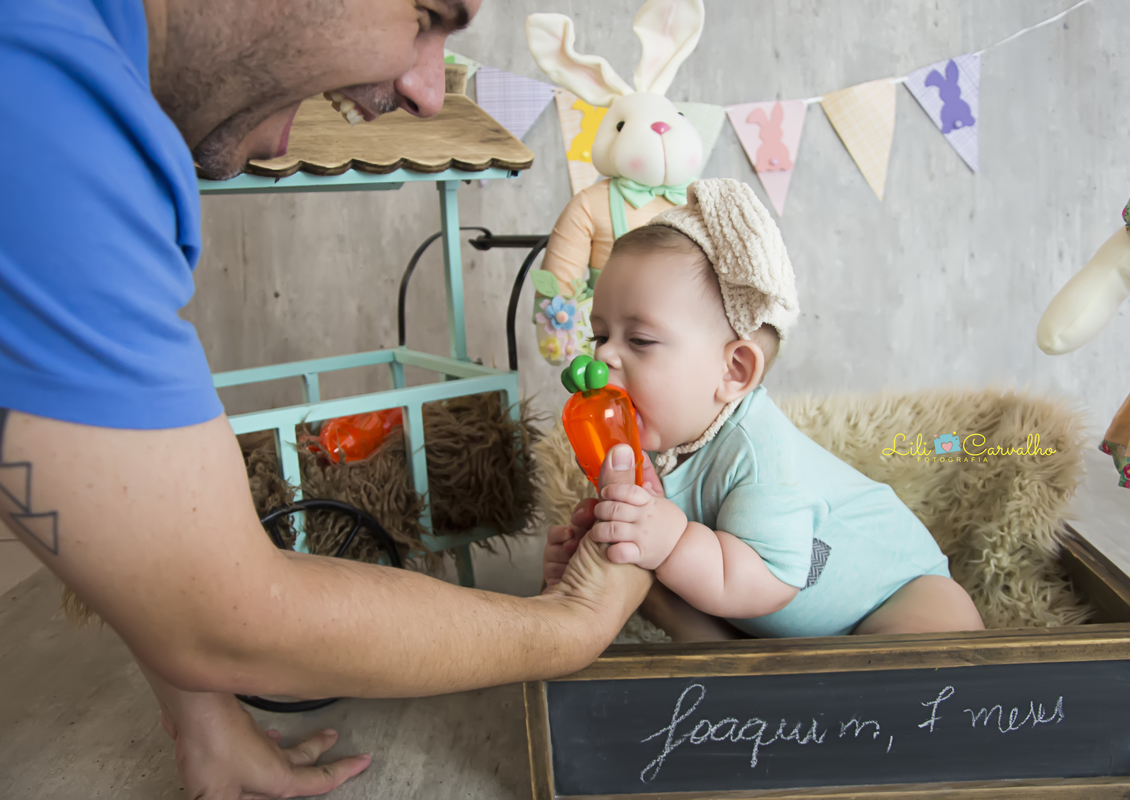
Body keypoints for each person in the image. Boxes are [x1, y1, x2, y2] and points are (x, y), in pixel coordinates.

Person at [0, 0, 654, 797]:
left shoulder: (84, 99)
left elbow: (121, 502)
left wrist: (200, 714)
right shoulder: (43, 103)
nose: (427, 88)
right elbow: (225, 613)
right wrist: (570, 628)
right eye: (425, 15)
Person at [543, 179, 984, 643]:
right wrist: (599, 545)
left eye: (639, 341)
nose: (603, 359)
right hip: (766, 625)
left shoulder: (756, 449)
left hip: (899, 598)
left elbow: (768, 582)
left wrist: (669, 539)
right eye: (600, 336)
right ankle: (733, 669)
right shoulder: (655, 448)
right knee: (649, 570)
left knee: (926, 650)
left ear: (733, 371)